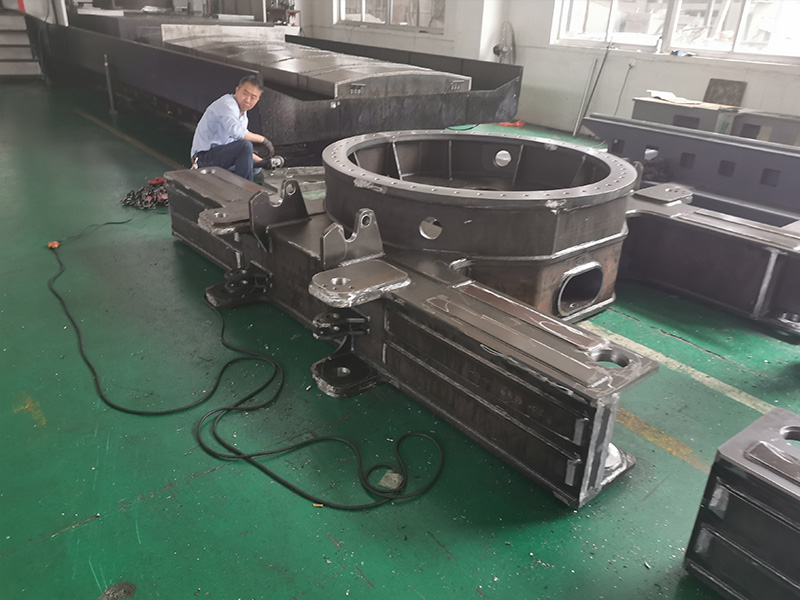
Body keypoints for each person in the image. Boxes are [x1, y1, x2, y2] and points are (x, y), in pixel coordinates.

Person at [190, 75, 283, 181]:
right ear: (237, 90)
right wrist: (263, 140)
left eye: (253, 97)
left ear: (257, 100)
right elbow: (236, 132)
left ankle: (230, 186)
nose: (247, 100)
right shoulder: (227, 104)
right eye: (245, 93)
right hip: (203, 158)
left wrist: (264, 162)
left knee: (256, 167)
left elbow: (239, 147)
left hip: (220, 156)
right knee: (245, 145)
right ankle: (244, 189)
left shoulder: (243, 117)